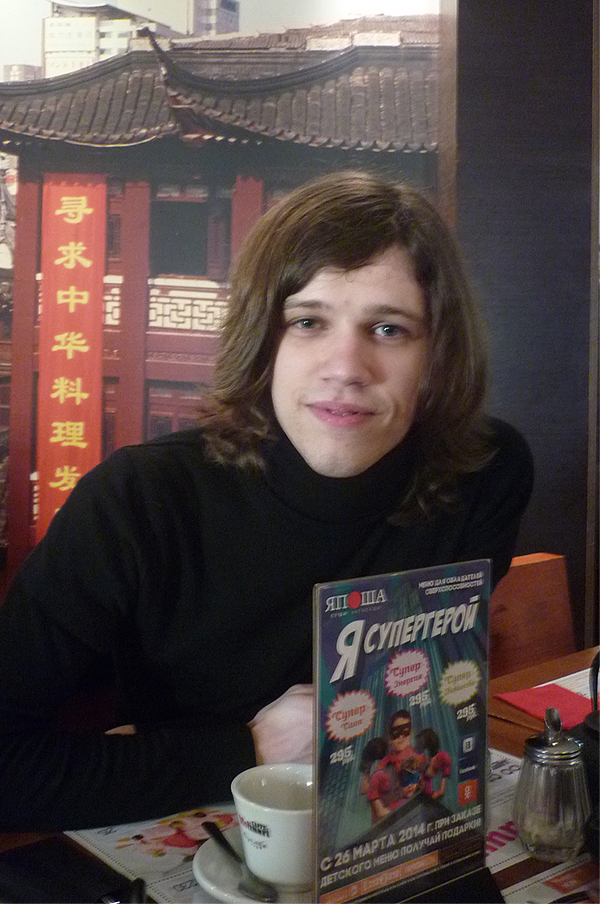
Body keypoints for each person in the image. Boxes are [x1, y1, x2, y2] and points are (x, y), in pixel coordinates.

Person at [0, 170, 533, 831]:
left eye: (389, 329)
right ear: (262, 339)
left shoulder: (485, 475)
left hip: (388, 821)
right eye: (308, 322)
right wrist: (248, 749)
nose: (347, 367)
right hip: (197, 833)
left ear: (439, 353)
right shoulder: (139, 502)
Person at [366, 711, 425, 821]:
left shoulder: (420, 760)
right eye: (396, 732)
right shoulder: (381, 768)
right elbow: (377, 811)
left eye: (405, 731)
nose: (401, 736)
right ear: (390, 737)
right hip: (390, 823)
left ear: (410, 733)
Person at [414, 728, 452, 800]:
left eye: (418, 745)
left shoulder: (443, 758)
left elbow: (441, 791)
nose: (415, 747)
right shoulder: (419, 762)